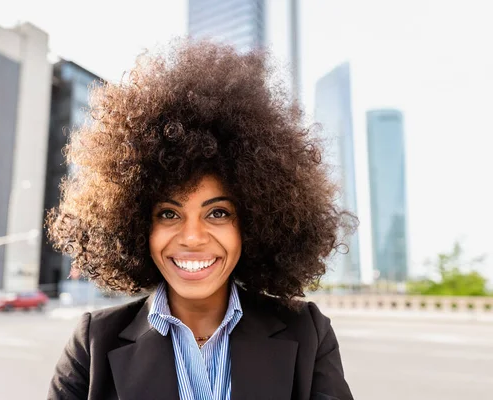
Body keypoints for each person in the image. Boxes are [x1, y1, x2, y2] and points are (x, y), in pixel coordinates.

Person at [47, 40, 355, 400]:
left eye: (218, 213)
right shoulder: (93, 344)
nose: (192, 237)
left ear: (254, 224)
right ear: (136, 226)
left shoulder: (308, 332)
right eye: (168, 214)